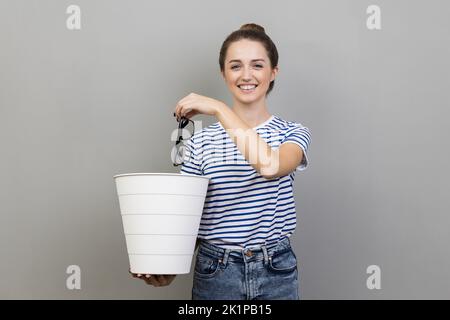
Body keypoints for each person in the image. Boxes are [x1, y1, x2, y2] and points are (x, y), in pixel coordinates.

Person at [131, 23, 311, 300]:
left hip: (275, 269)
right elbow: (188, 217)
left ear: (273, 72)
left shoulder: (292, 133)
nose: (247, 75)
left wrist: (219, 108)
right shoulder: (199, 142)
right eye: (236, 66)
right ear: (224, 73)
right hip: (216, 272)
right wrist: (168, 266)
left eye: (258, 65)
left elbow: (271, 167)